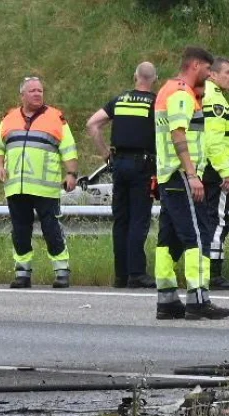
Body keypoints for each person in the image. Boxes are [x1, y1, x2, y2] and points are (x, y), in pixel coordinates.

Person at [153, 45, 229, 320]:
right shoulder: (182, 93)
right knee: (197, 235)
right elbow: (178, 135)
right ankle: (198, 298)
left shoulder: (167, 89)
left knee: (168, 238)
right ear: (195, 65)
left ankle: (167, 299)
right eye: (209, 69)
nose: (210, 75)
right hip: (181, 175)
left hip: (167, 175)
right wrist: (192, 174)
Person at [0, 76, 78, 290]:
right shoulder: (9, 118)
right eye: (33, 91)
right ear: (22, 95)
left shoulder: (56, 117)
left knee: (51, 229)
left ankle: (62, 270)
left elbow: (69, 148)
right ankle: (22, 272)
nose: (38, 93)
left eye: (40, 90)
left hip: (46, 188)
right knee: (20, 231)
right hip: (16, 187)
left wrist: (72, 173)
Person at [86, 61, 158, 289]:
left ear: (135, 76)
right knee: (138, 219)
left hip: (119, 164)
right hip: (142, 165)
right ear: (154, 79)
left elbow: (93, 125)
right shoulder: (155, 103)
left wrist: (105, 153)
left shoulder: (119, 100)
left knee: (121, 220)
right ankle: (137, 273)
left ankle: (121, 275)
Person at [202, 56, 229, 290]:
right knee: (218, 220)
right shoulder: (215, 100)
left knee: (210, 219)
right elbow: (214, 142)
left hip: (211, 169)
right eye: (227, 72)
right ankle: (213, 272)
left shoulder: (209, 96)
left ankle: (204, 268)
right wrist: (226, 172)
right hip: (217, 171)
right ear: (213, 75)